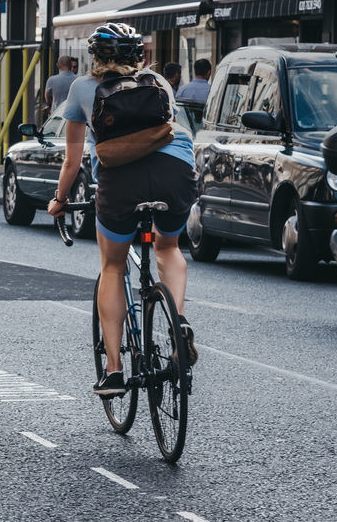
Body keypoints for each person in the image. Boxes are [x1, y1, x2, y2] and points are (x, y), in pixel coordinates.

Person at [47, 22, 198, 396]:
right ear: (139, 56)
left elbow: (73, 160)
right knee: (168, 247)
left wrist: (60, 200)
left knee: (113, 267)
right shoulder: (159, 83)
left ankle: (114, 371)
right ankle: (177, 323)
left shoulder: (82, 88)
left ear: (95, 56)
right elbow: (168, 131)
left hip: (120, 181)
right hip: (176, 170)